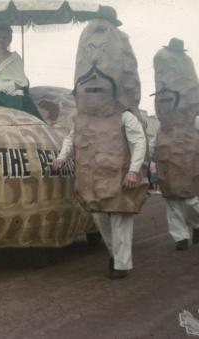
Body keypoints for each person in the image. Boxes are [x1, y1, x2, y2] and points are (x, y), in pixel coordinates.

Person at [55, 6, 148, 279]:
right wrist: (62, 156)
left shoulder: (124, 117)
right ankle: (115, 255)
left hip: (120, 177)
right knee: (99, 217)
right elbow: (71, 138)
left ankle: (121, 264)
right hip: (93, 179)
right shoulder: (81, 118)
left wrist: (133, 169)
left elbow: (139, 142)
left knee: (120, 218)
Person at [150, 38, 199, 251]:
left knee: (191, 202)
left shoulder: (194, 119)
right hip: (169, 165)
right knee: (172, 203)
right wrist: (149, 156)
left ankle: (197, 225)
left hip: (190, 164)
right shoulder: (164, 124)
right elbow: (155, 141)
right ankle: (179, 237)